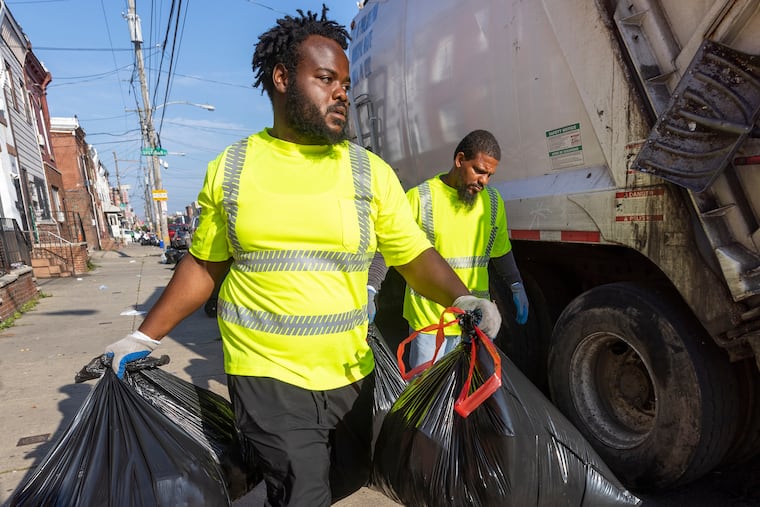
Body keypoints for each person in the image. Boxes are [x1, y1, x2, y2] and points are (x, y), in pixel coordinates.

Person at [103, 7, 501, 507]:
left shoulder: (368, 173)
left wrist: (463, 299)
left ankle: (254, 464)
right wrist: (143, 334)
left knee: (348, 475)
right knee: (304, 490)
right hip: (266, 375)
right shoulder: (233, 169)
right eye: (326, 79)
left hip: (351, 371)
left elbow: (412, 254)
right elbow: (205, 265)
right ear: (282, 78)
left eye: (346, 82)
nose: (342, 93)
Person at [369, 129, 529, 369]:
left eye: (489, 175)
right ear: (460, 160)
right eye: (479, 171)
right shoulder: (420, 198)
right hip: (431, 321)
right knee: (425, 393)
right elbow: (389, 247)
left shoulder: (492, 203)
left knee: (461, 392)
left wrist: (516, 284)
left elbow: (501, 250)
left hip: (472, 320)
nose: (484, 181)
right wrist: (371, 287)